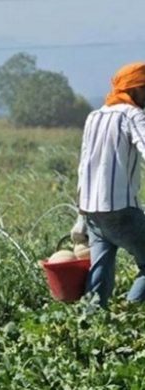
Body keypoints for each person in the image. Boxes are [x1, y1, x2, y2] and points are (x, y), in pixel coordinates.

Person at [71, 61, 145, 308]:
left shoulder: (95, 116)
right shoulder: (132, 115)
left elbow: (84, 167)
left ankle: (91, 324)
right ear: (135, 90)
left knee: (100, 272)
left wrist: (80, 218)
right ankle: (130, 313)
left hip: (93, 211)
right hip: (120, 210)